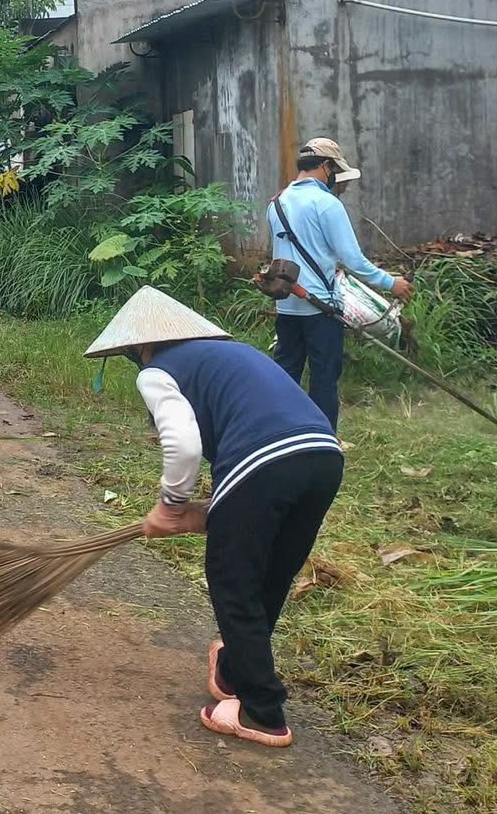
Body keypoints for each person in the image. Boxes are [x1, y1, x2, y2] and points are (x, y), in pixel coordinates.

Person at [86, 284, 345, 747]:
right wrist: (199, 514)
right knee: (268, 575)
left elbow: (183, 443)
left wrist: (169, 505)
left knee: (234, 581)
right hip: (323, 457)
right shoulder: (232, 356)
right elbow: (251, 500)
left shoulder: (157, 371)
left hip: (263, 461)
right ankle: (230, 673)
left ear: (139, 346)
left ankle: (262, 713)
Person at [267, 136, 412, 430]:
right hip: (321, 308)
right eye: (334, 171)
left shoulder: (277, 203)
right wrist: (390, 283)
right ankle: (322, 439)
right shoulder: (326, 204)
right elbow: (353, 260)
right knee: (323, 380)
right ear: (326, 166)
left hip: (287, 306)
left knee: (284, 376)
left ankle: (279, 435)